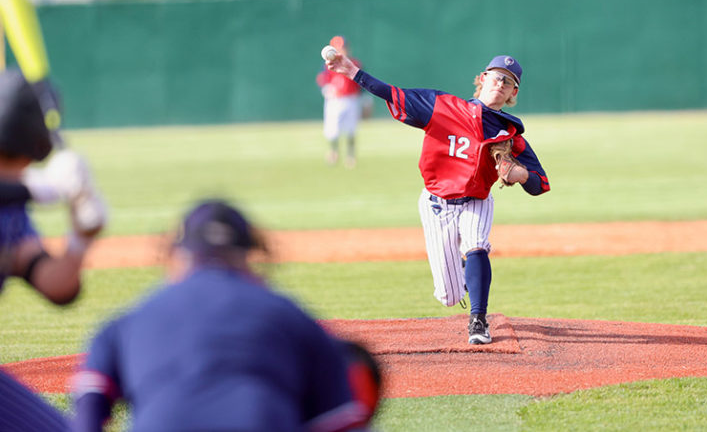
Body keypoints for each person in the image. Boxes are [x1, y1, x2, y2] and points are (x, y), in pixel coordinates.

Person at [72, 199, 379, 432]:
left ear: (179, 254)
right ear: (248, 255)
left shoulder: (126, 322)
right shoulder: (293, 318)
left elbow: (88, 405)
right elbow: (342, 421)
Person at [322, 51, 550, 345]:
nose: (501, 84)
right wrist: (352, 71)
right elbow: (391, 93)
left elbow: (541, 183)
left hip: (476, 200)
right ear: (482, 79)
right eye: (497, 77)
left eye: (509, 82)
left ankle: (478, 321)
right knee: (449, 295)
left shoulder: (510, 132)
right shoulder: (442, 106)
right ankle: (465, 272)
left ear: (513, 93)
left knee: (476, 244)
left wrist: (523, 176)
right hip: (436, 203)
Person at [0, 68, 108, 431]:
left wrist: (81, 236)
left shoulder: (11, 213)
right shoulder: (19, 194)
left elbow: (57, 288)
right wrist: (41, 189)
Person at [316, 36, 364, 168]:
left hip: (351, 99)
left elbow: (361, 85)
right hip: (335, 100)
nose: (341, 50)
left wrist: (365, 100)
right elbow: (322, 80)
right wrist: (327, 89)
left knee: (351, 130)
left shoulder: (354, 63)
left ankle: (350, 155)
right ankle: (333, 152)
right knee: (333, 130)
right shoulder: (327, 65)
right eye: (338, 47)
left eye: (343, 47)